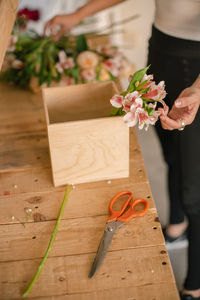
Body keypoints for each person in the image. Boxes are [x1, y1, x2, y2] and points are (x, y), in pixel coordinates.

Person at [44, 1, 200, 298]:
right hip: (162, 49)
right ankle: (177, 226)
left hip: (197, 70)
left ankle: (195, 283)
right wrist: (79, 15)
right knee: (170, 155)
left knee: (195, 190)